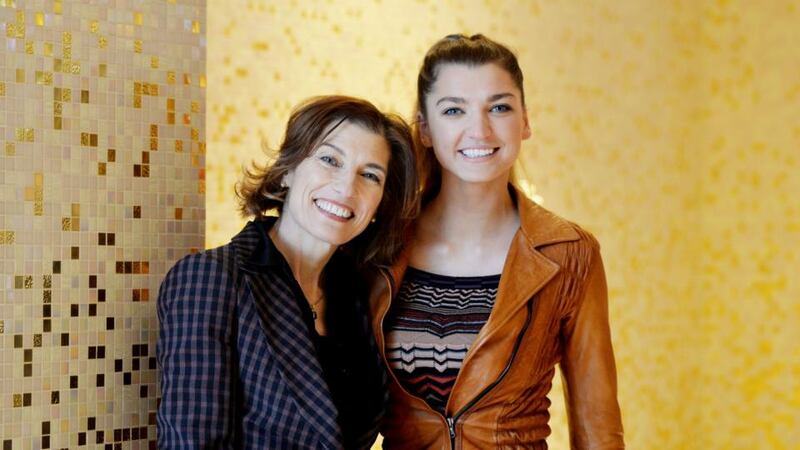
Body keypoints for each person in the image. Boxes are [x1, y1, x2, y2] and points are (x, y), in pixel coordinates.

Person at [372, 34, 625, 449]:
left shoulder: (569, 252)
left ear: (524, 121)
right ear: (425, 128)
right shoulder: (377, 246)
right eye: (454, 110)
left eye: (500, 107)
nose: (479, 129)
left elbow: (598, 427)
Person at [157, 95, 418, 449]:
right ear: (288, 170)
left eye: (370, 175)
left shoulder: (361, 296)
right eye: (329, 160)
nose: (346, 188)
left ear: (380, 203)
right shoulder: (212, 278)